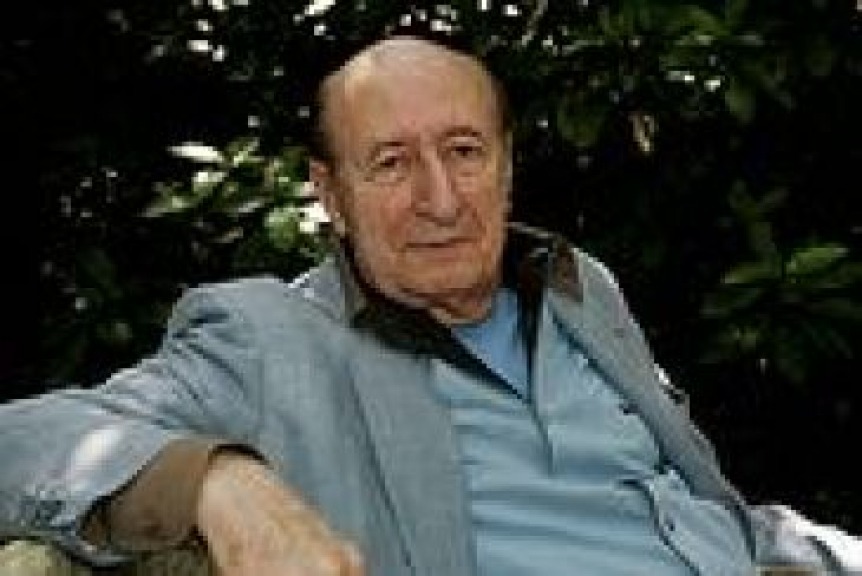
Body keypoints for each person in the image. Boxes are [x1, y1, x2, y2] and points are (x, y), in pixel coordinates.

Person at [0, 35, 859, 576]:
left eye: (464, 151)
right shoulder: (265, 337)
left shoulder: (581, 287)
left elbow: (698, 509)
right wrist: (221, 484)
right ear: (329, 194)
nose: (441, 200)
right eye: (391, 163)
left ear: (507, 165)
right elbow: (22, 438)